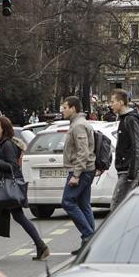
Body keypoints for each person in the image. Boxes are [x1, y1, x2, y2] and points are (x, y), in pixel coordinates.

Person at [0, 117, 48, 261]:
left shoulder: (7, 145)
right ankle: (41, 246)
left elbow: (12, 166)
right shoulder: (3, 144)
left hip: (5, 187)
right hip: (7, 188)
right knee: (19, 216)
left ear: (3, 129)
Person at [61, 96, 95, 256]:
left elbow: (83, 152)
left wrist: (76, 174)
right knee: (83, 204)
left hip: (81, 170)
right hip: (85, 169)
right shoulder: (77, 124)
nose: (63, 110)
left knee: (67, 202)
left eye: (65, 107)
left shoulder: (79, 125)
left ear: (73, 108)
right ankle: (90, 244)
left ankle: (89, 236)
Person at [109, 89, 139, 212]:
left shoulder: (131, 119)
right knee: (131, 208)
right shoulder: (123, 119)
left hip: (128, 170)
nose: (111, 104)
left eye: (113, 102)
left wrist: (132, 173)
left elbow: (137, 146)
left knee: (116, 208)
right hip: (125, 169)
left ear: (121, 102)